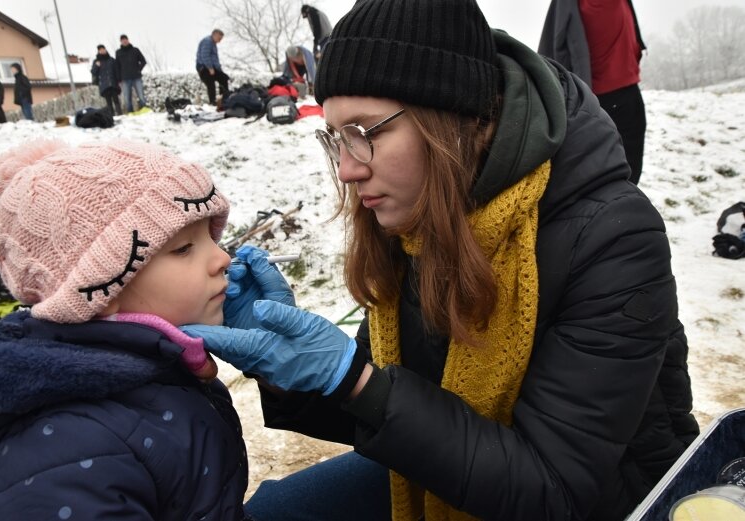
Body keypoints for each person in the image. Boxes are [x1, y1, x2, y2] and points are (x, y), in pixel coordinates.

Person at [181, 0, 700, 520]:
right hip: (461, 471)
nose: (345, 169)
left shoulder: (612, 237)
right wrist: (284, 366)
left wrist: (353, 380)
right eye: (336, 138)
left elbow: (554, 491)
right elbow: (378, 409)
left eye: (366, 133)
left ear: (458, 119)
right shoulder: (417, 215)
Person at [0, 139, 256, 520]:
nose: (222, 258)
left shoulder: (158, 368)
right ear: (102, 289)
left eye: (210, 237)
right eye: (184, 248)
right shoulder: (72, 449)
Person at [539, 0, 647, 184]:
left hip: (629, 93)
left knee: (630, 172)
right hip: (593, 102)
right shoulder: (566, 4)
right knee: (594, 176)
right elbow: (551, 48)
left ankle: (625, 206)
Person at [196, 29, 230, 106]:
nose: (220, 41)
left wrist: (220, 70)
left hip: (211, 67)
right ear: (214, 35)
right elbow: (205, 55)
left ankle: (224, 99)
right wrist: (210, 67)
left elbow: (214, 59)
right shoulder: (207, 42)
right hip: (204, 67)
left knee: (224, 78)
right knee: (210, 83)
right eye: (219, 38)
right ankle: (212, 102)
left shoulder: (213, 43)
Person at [115, 34, 147, 113]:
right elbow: (117, 66)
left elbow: (143, 61)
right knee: (127, 97)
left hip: (136, 77)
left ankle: (144, 109)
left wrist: (138, 69)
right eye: (122, 40)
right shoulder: (118, 52)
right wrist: (119, 79)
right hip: (125, 78)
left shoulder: (135, 50)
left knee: (141, 95)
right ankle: (130, 112)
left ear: (128, 40)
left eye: (125, 39)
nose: (124, 41)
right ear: (121, 42)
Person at [91, 44, 122, 116]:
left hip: (113, 82)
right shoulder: (96, 61)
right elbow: (93, 72)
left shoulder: (111, 60)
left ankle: (120, 113)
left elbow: (116, 70)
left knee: (116, 99)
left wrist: (119, 80)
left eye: (103, 49)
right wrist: (96, 66)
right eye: (100, 50)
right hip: (104, 84)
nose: (102, 51)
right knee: (108, 101)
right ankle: (112, 115)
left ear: (105, 50)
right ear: (98, 52)